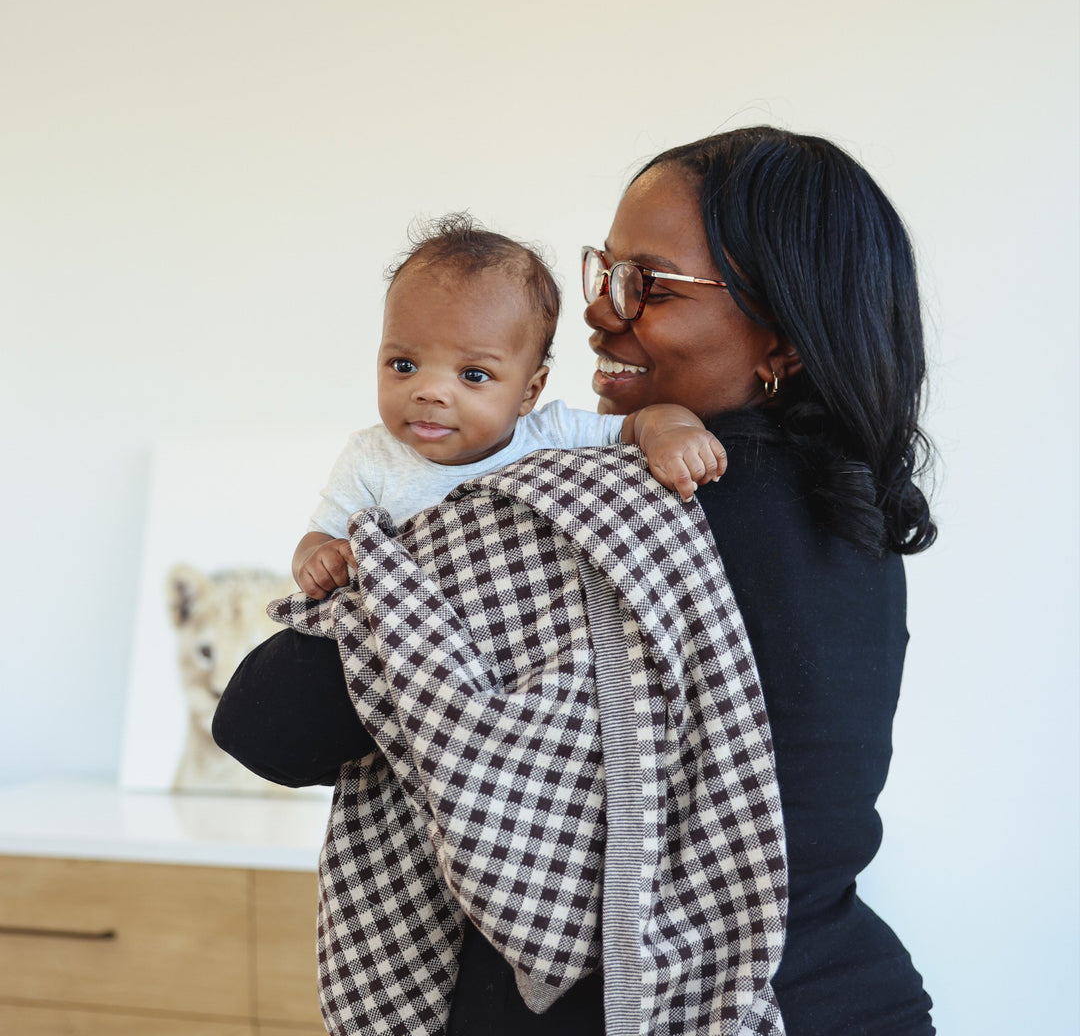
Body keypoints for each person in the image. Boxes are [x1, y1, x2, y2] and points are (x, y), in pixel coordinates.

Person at [214, 125, 936, 1035]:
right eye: (607, 272)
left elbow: (261, 724)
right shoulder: (858, 516)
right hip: (846, 1002)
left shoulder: (578, 512)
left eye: (651, 286)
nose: (600, 311)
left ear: (783, 341)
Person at [293, 213, 728, 600]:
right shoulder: (372, 459)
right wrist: (320, 559)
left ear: (529, 392)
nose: (429, 392)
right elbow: (317, 540)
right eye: (404, 365)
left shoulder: (553, 434)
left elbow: (642, 423)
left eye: (473, 375)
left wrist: (671, 434)